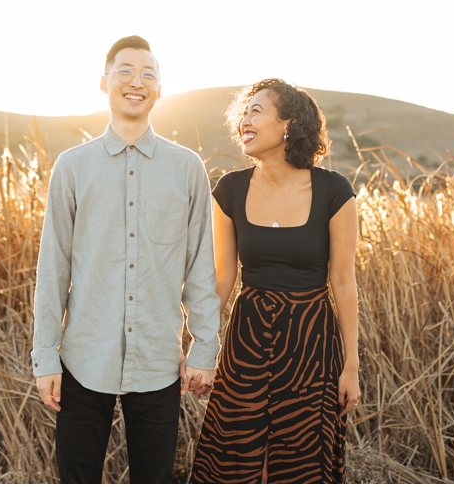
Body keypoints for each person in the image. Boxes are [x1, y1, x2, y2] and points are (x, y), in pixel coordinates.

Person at [31, 36, 220, 483]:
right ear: (104, 82)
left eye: (148, 74)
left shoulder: (187, 167)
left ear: (159, 90)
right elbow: (52, 268)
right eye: (126, 72)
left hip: (159, 359)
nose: (137, 82)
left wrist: (205, 346)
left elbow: (200, 267)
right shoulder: (73, 166)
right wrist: (45, 356)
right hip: (82, 359)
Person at [190, 78, 360, 484]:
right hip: (247, 337)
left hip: (311, 343)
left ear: (289, 124)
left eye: (256, 110)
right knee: (238, 455)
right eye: (243, 112)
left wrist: (350, 365)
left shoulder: (334, 191)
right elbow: (223, 277)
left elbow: (343, 282)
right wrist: (201, 347)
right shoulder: (228, 190)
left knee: (301, 460)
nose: (243, 120)